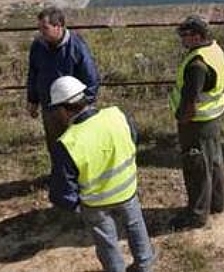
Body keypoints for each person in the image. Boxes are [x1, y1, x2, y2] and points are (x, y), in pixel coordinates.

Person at [48, 76, 154, 272]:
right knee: (136, 226)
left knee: (107, 243)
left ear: (64, 108)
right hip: (128, 189)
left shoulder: (68, 143)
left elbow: (63, 189)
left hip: (96, 203)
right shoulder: (117, 115)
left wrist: (75, 205)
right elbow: (133, 138)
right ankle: (145, 265)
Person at [168, 15, 224, 230]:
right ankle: (217, 203)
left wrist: (181, 120)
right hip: (212, 119)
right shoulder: (214, 50)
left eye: (184, 35)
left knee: (196, 168)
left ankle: (197, 215)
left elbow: (191, 101)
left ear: (196, 36)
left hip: (196, 123)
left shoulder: (197, 65)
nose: (182, 39)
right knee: (213, 162)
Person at [26, 6, 100, 165]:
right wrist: (33, 100)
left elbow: (91, 79)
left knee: (78, 144)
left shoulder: (77, 46)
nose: (41, 32)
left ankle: (81, 177)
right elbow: (33, 73)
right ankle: (60, 176)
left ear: (58, 26)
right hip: (50, 107)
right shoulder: (38, 46)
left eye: (45, 28)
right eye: (39, 28)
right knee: (55, 146)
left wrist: (82, 107)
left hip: (72, 109)